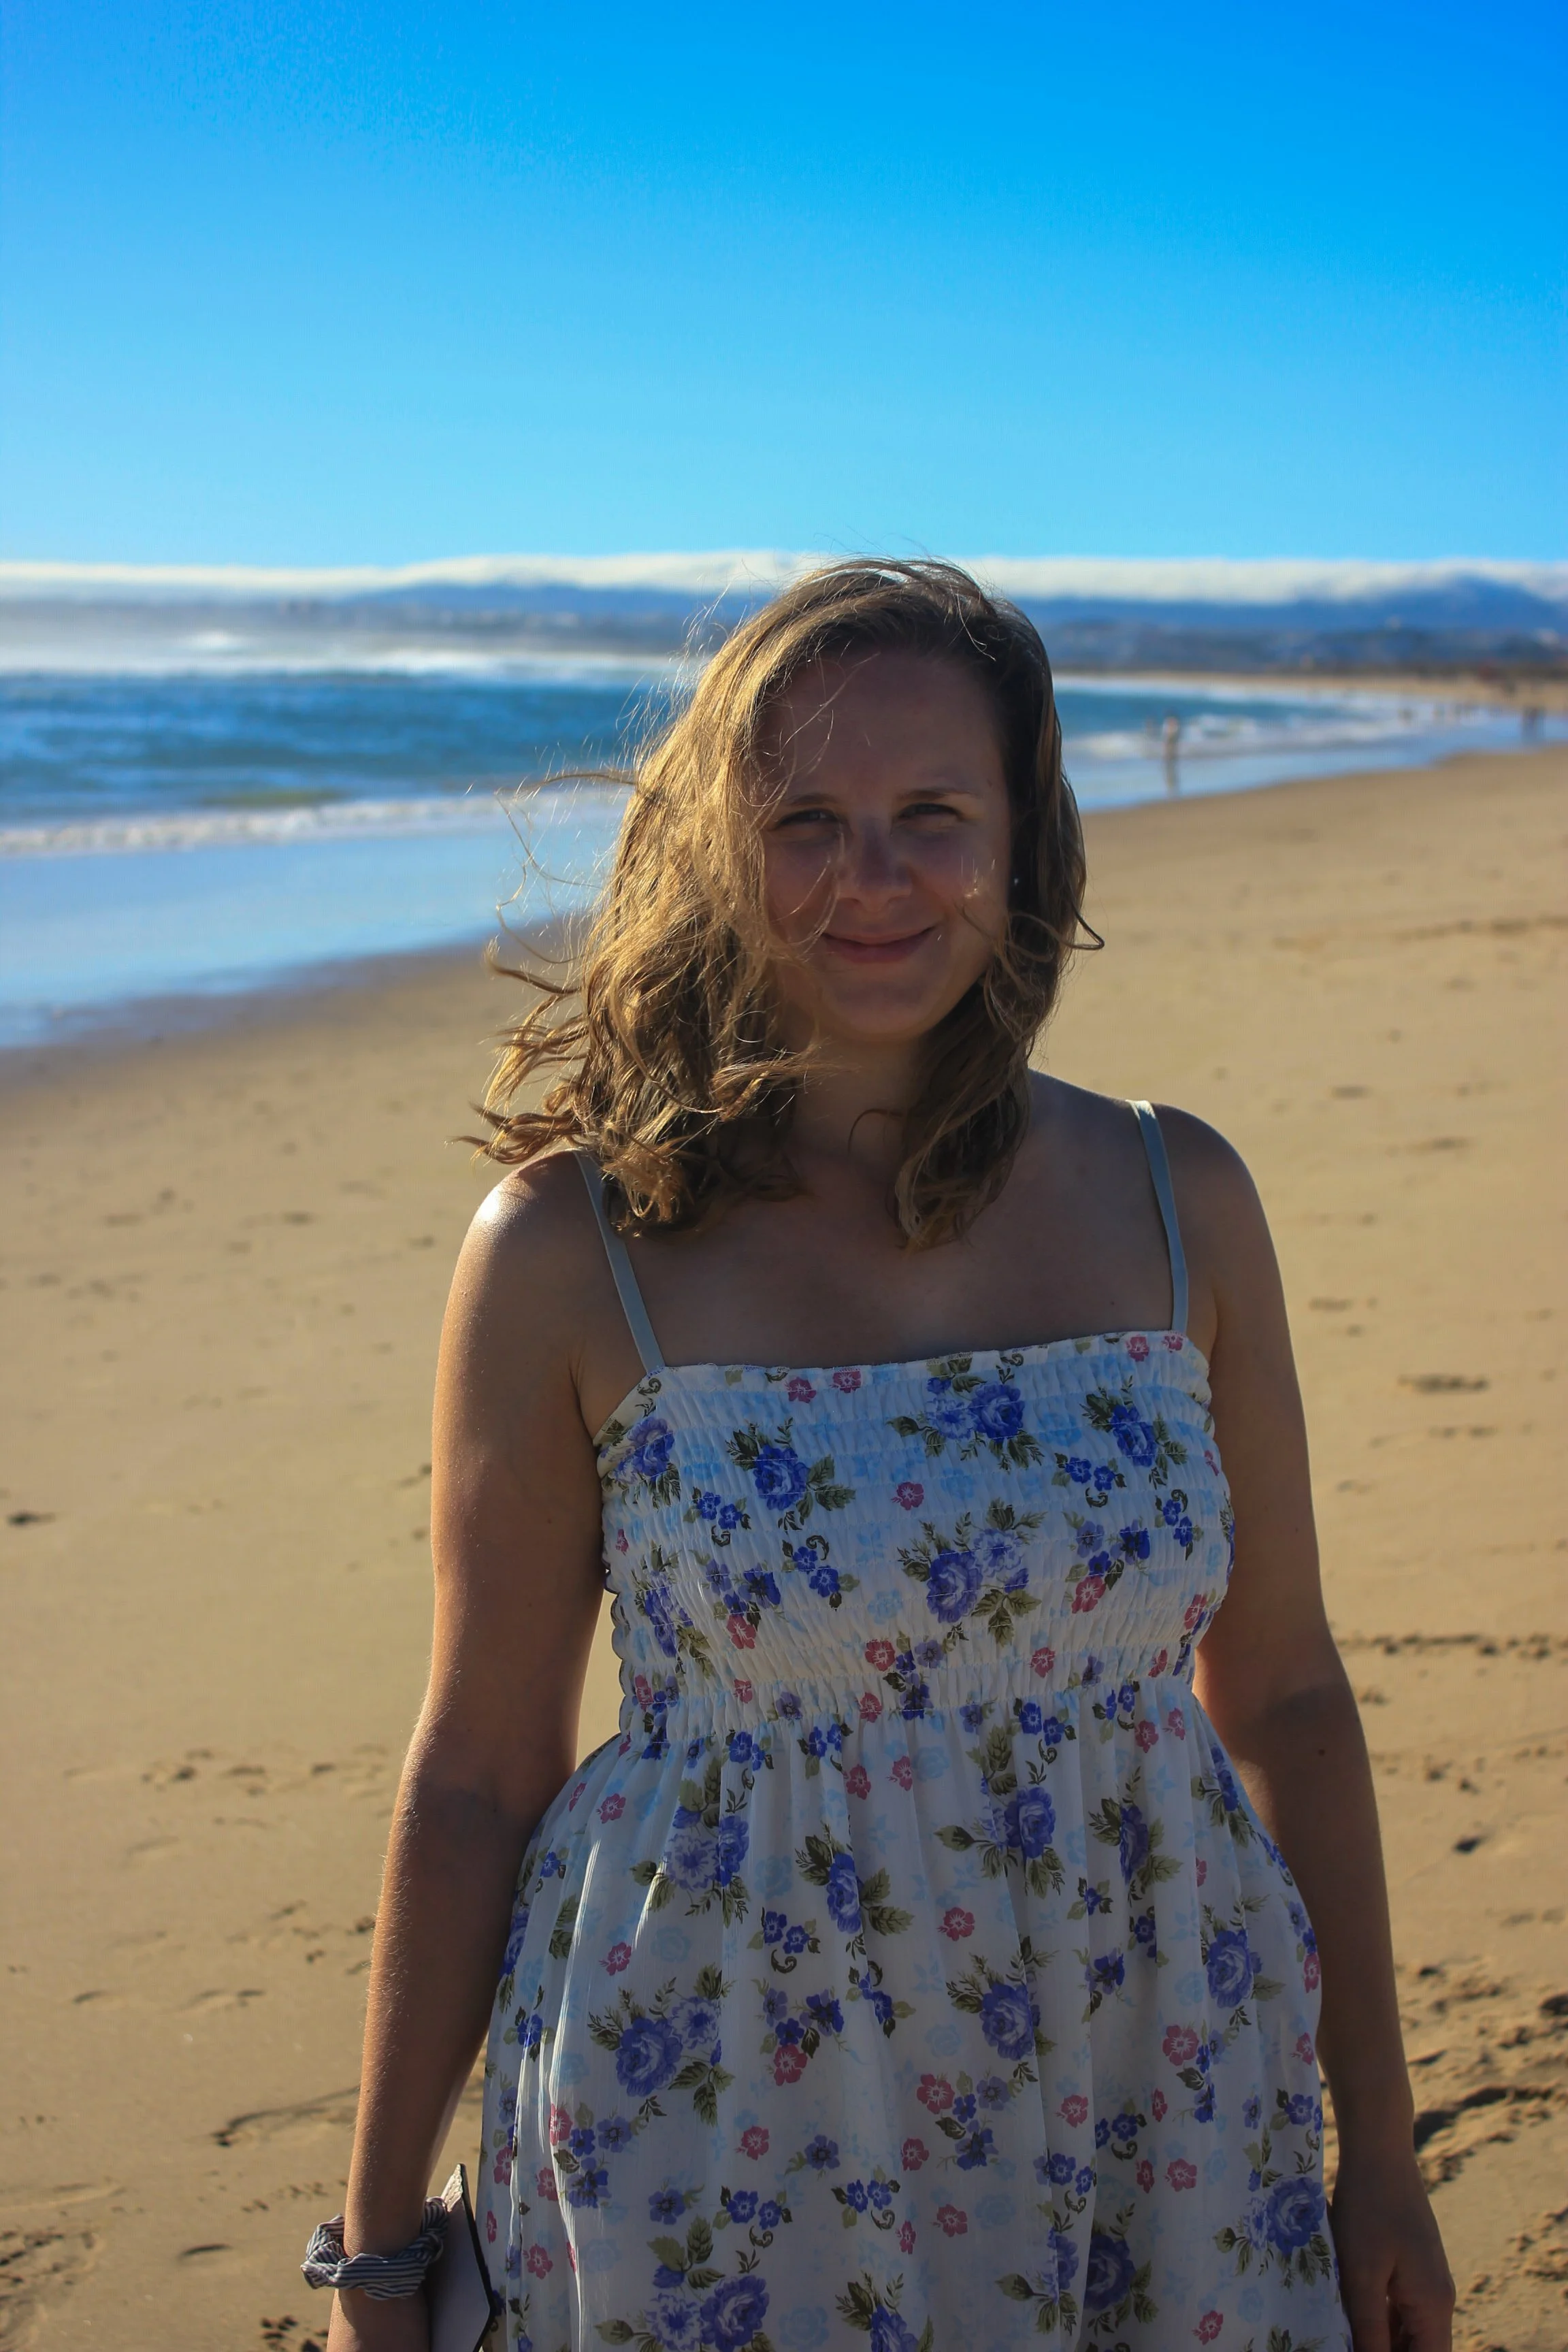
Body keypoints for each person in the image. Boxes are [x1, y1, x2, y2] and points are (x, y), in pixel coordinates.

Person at [318, 561, 1454, 2352]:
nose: (875, 876)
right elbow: (478, 1766)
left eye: (935, 815)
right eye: (808, 821)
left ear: (1024, 840)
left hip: (1156, 2075)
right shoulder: (569, 1249)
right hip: (713, 2122)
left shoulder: (1183, 1201)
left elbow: (1291, 1692)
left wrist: (1379, 2152)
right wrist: (378, 2243)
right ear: (714, 847)